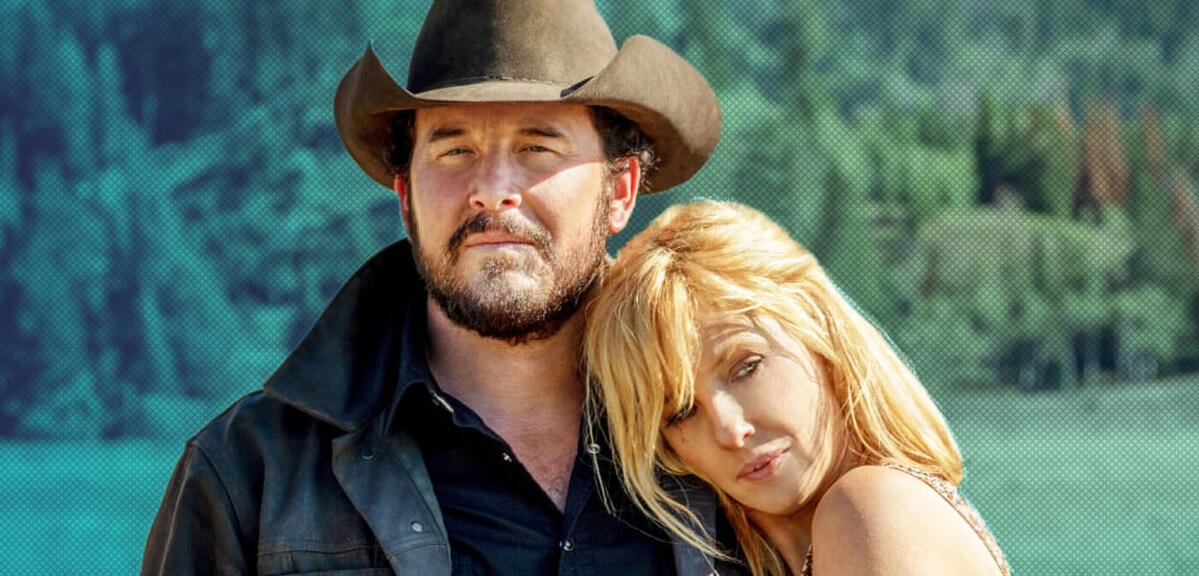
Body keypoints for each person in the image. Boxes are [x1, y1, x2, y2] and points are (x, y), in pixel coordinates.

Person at [142, 1, 739, 574]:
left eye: (537, 147)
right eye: (455, 150)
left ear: (621, 191)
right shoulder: (249, 475)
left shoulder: (735, 438)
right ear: (405, 199)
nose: (492, 190)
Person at [584, 201, 1012, 576]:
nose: (730, 430)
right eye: (681, 412)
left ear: (817, 327)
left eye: (746, 368)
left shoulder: (870, 509)